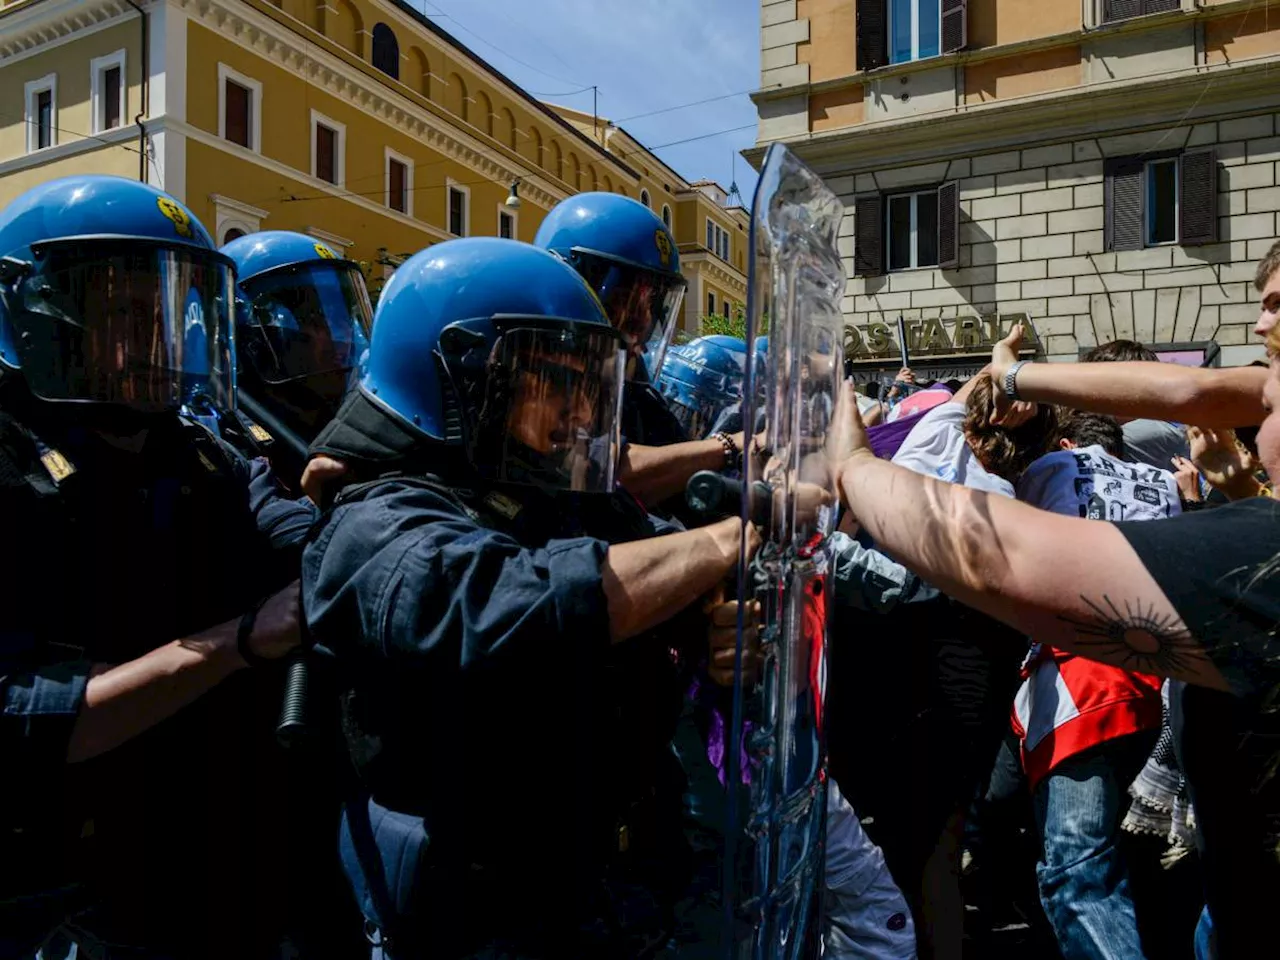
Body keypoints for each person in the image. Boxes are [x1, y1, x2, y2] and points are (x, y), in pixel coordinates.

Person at [300, 237, 759, 957]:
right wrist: (721, 544)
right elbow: (498, 603)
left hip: (600, 883)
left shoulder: (550, 488)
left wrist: (716, 629)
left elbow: (642, 568)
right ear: (464, 376)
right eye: (555, 381)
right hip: (475, 911)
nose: (581, 412)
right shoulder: (373, 515)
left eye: (591, 385)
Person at [834, 311, 1280, 958]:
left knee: (1078, 876)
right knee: (1160, 882)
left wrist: (852, 461)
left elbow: (990, 553)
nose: (1260, 393)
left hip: (1082, 682)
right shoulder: (1175, 486)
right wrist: (1014, 374)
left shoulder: (1049, 476)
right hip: (1157, 694)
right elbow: (1189, 392)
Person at [0, 175, 315, 958]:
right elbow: (20, 723)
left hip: (208, 851)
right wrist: (234, 641)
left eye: (171, 313)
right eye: (129, 315)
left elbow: (299, 543)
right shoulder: (11, 469)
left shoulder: (200, 448)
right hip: (60, 883)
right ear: (44, 323)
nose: (160, 343)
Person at [1014, 410, 1173, 960]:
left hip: (1082, 684)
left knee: (1079, 867)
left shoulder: (1054, 466)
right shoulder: (1163, 483)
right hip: (1162, 683)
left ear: (1065, 444)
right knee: (1142, 857)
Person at [220, 230, 373, 487]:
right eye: (315, 320)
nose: (342, 336)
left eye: (344, 317)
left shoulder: (351, 423)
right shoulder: (231, 446)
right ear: (254, 339)